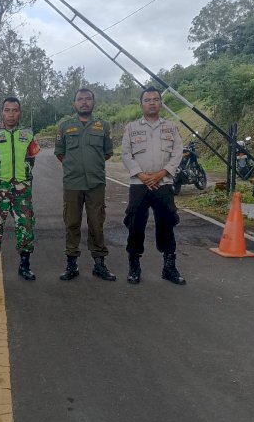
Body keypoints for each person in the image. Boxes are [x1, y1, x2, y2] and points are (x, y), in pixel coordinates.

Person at [121, 86, 186, 285]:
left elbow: (177, 153)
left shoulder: (171, 127)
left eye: (155, 99)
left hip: (163, 183)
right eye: (147, 100)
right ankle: (134, 266)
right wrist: (142, 175)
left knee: (167, 223)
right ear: (141, 104)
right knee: (135, 225)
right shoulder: (131, 128)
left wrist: (160, 174)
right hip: (138, 185)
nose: (152, 103)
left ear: (160, 103)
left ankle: (169, 267)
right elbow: (126, 154)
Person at [54, 88, 116, 281]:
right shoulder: (65, 126)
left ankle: (99, 264)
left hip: (96, 183)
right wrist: (76, 167)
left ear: (93, 102)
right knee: (72, 222)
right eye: (80, 99)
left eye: (88, 99)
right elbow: (60, 153)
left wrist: (91, 166)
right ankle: (71, 264)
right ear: (74, 103)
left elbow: (107, 153)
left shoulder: (103, 126)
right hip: (73, 183)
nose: (84, 102)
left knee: (96, 223)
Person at [0, 97, 40, 282]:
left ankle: (25, 266)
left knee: (26, 227)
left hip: (22, 190)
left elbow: (31, 158)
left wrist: (24, 177)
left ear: (19, 112)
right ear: (2, 112)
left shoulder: (27, 133)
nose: (11, 114)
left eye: (15, 110)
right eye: (8, 110)